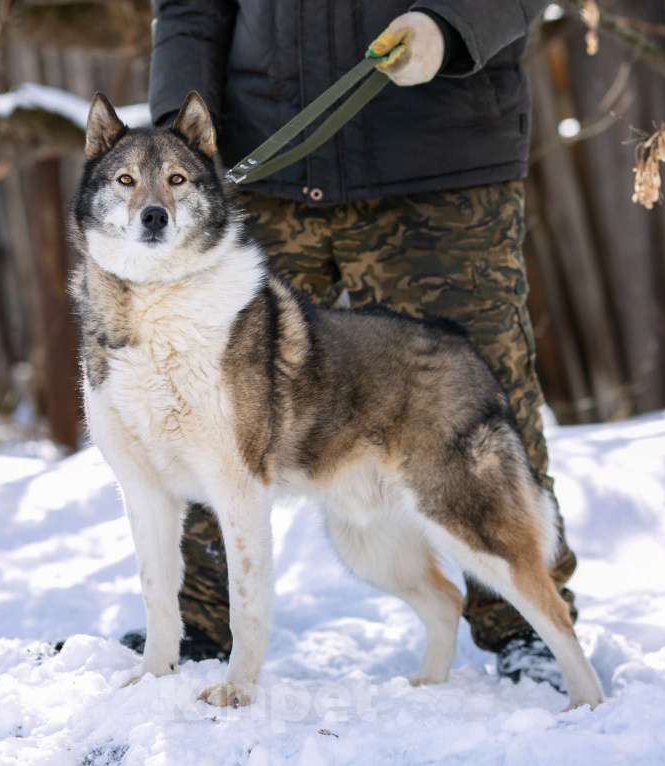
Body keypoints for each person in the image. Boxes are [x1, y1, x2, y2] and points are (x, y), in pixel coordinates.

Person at [122, 0, 576, 690]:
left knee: (474, 398)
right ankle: (198, 626)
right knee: (202, 399)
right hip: (266, 159)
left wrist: (450, 28)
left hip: (436, 163)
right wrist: (174, 143)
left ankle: (527, 628)